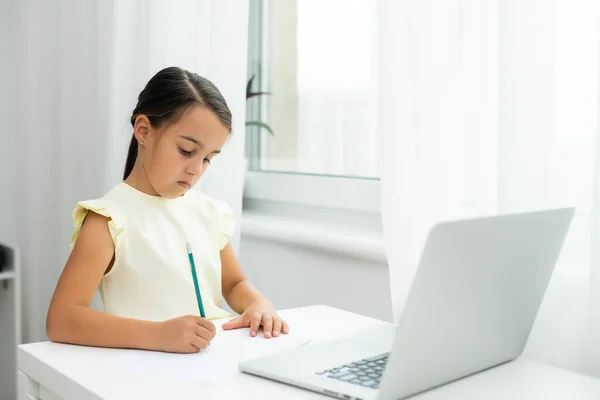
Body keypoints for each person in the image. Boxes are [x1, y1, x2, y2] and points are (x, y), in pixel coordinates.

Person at [46, 66, 288, 354]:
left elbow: (235, 284)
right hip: (146, 373)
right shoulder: (109, 219)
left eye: (208, 159)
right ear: (144, 130)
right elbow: (62, 320)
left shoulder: (208, 212)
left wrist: (258, 304)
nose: (196, 170)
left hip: (213, 364)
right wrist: (159, 334)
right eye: (186, 151)